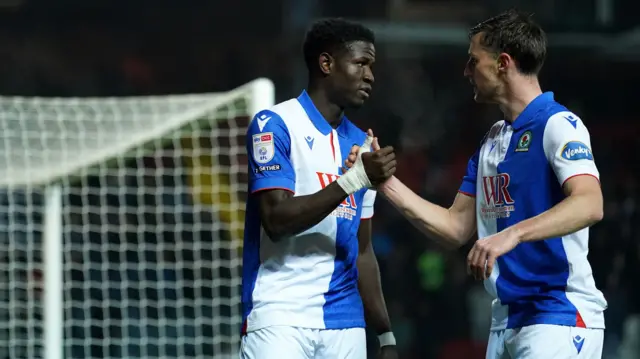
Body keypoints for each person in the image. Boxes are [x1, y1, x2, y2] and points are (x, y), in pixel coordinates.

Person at [346, 9, 607, 359]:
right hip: (505, 321)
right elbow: (455, 227)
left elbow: (590, 203)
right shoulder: (492, 142)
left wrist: (513, 233)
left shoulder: (559, 124)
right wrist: (383, 182)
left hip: (558, 317)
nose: (466, 71)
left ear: (502, 63)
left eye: (473, 61)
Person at [240, 18, 399, 359]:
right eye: (361, 63)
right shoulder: (275, 124)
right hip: (280, 316)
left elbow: (364, 250)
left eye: (372, 66)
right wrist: (353, 180)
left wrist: (385, 334)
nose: (370, 75)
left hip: (346, 324)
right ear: (326, 63)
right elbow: (277, 220)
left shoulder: (362, 146)